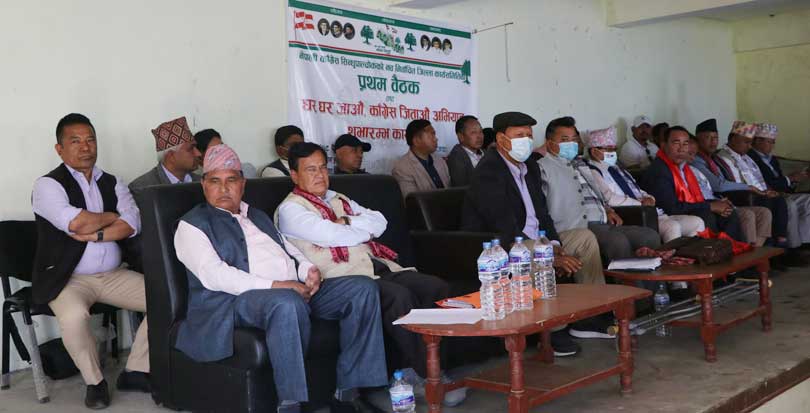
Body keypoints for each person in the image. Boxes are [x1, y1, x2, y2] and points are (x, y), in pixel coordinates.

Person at [174, 144, 387, 413]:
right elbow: (215, 275)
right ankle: (291, 403)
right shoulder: (192, 225)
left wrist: (308, 271)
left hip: (291, 292)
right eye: (215, 181)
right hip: (234, 302)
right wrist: (278, 286)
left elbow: (288, 249)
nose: (224, 188)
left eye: (231, 180)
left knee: (362, 288)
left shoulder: (257, 216)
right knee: (286, 303)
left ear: (243, 184)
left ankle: (350, 392)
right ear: (204, 185)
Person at [276, 142, 467, 406]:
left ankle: (434, 368)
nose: (320, 175)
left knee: (435, 288)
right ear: (295, 175)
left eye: (322, 168)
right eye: (311, 170)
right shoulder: (291, 210)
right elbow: (331, 235)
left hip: (378, 266)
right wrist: (357, 229)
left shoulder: (338, 198)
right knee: (398, 297)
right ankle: (429, 378)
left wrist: (347, 221)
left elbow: (380, 221)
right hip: (341, 279)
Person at [461, 112, 611, 356]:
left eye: (529, 135)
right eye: (519, 135)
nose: (526, 141)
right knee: (533, 251)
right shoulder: (488, 171)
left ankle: (591, 316)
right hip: (502, 244)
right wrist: (549, 254)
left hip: (535, 238)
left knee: (585, 239)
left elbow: (542, 212)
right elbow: (502, 223)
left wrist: (555, 243)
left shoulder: (529, 165)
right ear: (501, 139)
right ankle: (552, 332)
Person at [32, 113, 150, 409]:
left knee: (166, 297)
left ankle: (136, 370)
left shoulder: (112, 182)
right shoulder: (48, 185)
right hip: (68, 278)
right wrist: (112, 217)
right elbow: (76, 223)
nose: (85, 147)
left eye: (90, 140)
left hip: (114, 275)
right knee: (73, 317)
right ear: (59, 149)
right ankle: (95, 383)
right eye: (75, 141)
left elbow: (132, 224)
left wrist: (96, 233)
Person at [539, 117, 662, 265]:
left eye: (574, 140)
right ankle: (624, 279)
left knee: (649, 236)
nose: (571, 144)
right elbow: (541, 208)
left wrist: (608, 210)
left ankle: (650, 279)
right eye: (565, 140)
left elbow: (596, 193)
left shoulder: (581, 164)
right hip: (577, 226)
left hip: (603, 221)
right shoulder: (542, 168)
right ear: (549, 143)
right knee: (617, 241)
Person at [583, 125, 704, 242]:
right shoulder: (594, 172)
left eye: (614, 149)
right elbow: (609, 198)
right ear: (594, 151)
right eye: (609, 149)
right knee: (672, 226)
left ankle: (691, 253)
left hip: (652, 211)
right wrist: (639, 203)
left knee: (696, 222)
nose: (613, 153)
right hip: (633, 214)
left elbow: (637, 190)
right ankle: (671, 255)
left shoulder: (618, 169)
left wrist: (649, 198)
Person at [691, 118, 785, 246]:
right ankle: (750, 251)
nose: (713, 142)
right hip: (718, 201)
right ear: (697, 139)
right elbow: (718, 185)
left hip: (723, 199)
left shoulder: (711, 159)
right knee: (752, 212)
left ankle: (758, 251)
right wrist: (750, 188)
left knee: (765, 212)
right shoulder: (697, 160)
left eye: (716, 138)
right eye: (708, 138)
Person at [641, 126, 744, 241]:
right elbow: (671, 207)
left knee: (728, 212)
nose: (681, 149)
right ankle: (713, 250)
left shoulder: (683, 168)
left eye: (685, 144)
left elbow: (692, 199)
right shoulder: (660, 170)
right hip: (667, 216)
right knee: (706, 216)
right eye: (676, 143)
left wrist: (715, 203)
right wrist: (710, 206)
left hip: (684, 209)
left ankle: (732, 248)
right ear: (663, 145)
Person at [748, 122, 810, 248]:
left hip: (783, 193)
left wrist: (794, 180)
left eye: (773, 142)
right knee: (790, 205)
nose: (772, 146)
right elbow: (766, 183)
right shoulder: (750, 158)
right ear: (757, 141)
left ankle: (805, 242)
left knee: (808, 201)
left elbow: (782, 182)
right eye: (769, 142)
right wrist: (790, 179)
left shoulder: (772, 159)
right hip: (766, 195)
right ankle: (792, 246)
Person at [129, 116, 201, 206]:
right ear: (171, 156)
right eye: (190, 149)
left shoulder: (202, 182)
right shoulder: (142, 188)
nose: (198, 153)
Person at [391, 119, 450, 197]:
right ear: (416, 141)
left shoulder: (440, 161)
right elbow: (412, 201)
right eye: (432, 135)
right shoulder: (402, 169)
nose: (436, 139)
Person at [194, 128, 258, 178]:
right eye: (215, 152)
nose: (222, 153)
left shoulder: (246, 170)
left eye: (222, 147)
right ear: (200, 160)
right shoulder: (196, 180)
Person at [447, 115, 484, 187]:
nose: (479, 136)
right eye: (473, 132)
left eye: (481, 131)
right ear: (461, 136)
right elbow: (461, 189)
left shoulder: (486, 153)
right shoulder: (456, 158)